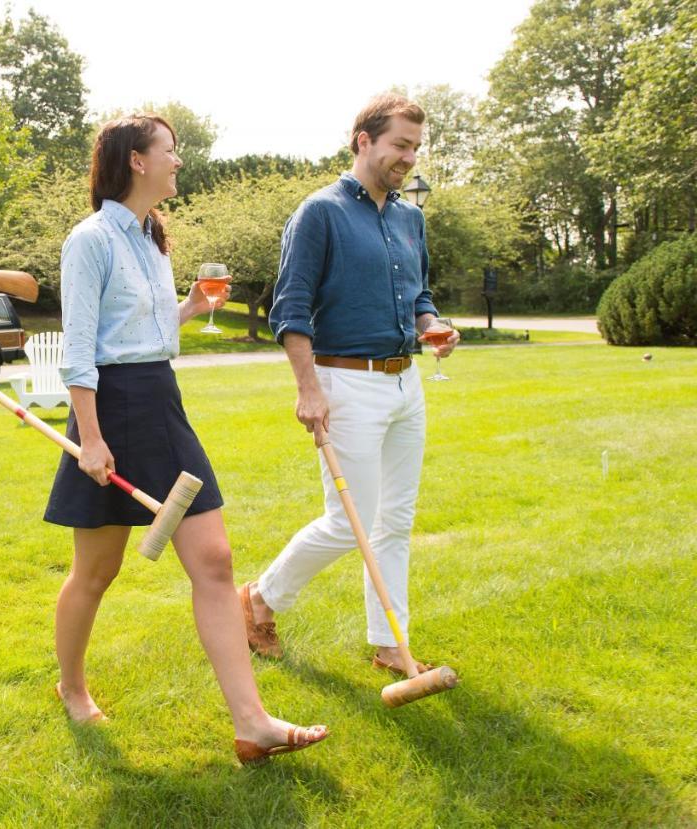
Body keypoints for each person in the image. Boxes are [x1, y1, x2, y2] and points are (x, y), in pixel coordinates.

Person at [47, 114, 327, 764]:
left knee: (216, 561)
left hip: (161, 404)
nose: (179, 160)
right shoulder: (90, 241)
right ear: (137, 161)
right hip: (110, 409)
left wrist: (191, 309)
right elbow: (82, 352)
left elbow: (151, 338)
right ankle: (71, 684)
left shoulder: (153, 240)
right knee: (97, 569)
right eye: (170, 151)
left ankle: (251, 721)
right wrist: (90, 438)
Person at [240, 93, 460, 676]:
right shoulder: (321, 212)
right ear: (363, 140)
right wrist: (308, 388)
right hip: (344, 383)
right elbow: (290, 307)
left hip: (404, 383)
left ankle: (391, 644)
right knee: (348, 521)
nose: (409, 158)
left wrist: (431, 325)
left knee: (395, 522)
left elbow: (418, 295)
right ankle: (260, 599)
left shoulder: (410, 218)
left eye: (415, 147)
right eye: (400, 146)